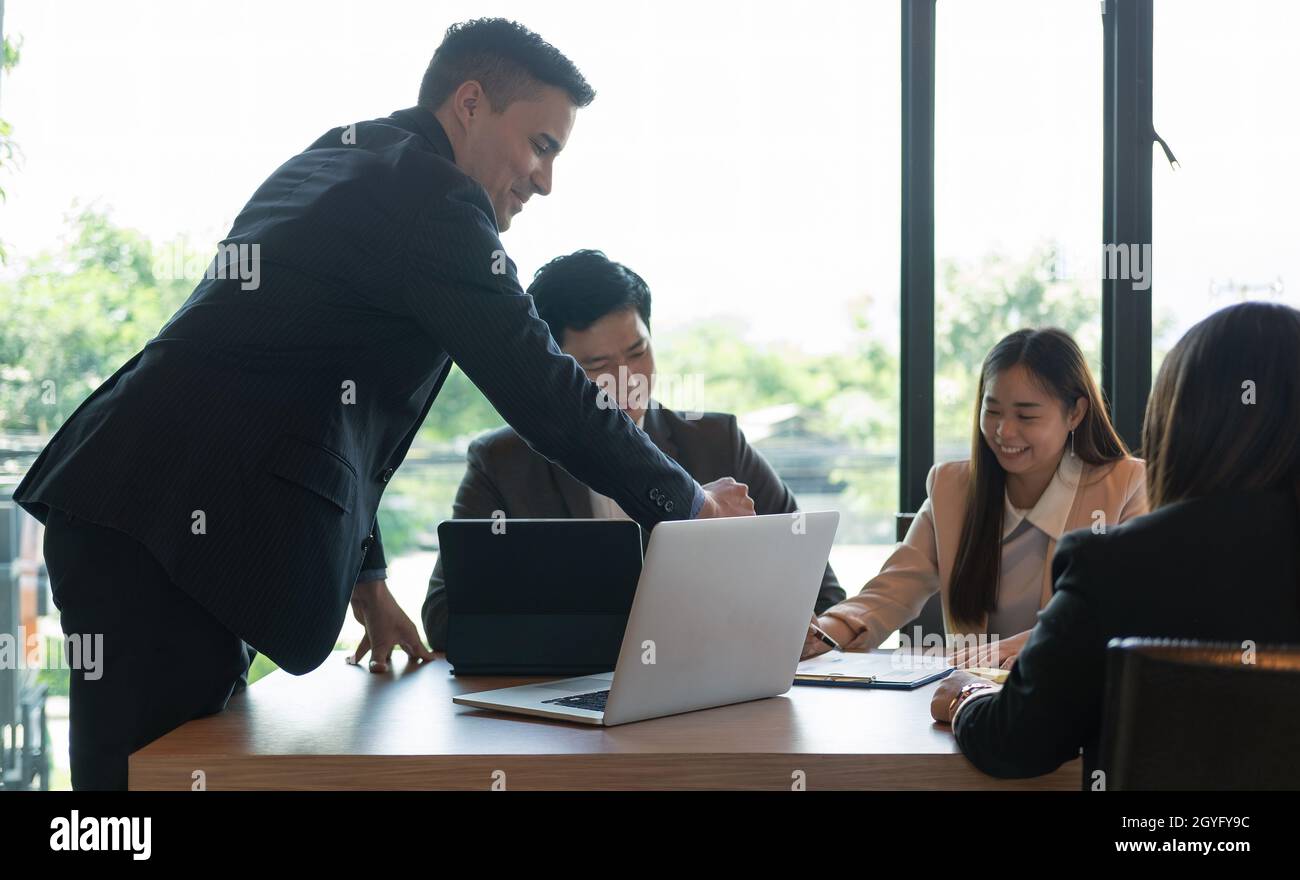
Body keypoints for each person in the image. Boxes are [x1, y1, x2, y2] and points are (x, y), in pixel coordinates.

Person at [16, 18, 753, 790]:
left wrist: (365, 579)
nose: (545, 180)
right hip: (164, 520)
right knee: (139, 793)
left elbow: (308, 388)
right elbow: (542, 385)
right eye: (541, 145)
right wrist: (689, 503)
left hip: (148, 510)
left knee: (156, 778)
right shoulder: (431, 201)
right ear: (470, 103)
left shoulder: (349, 155)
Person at [934, 302, 1300, 783]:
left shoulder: (1116, 566)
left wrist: (964, 695)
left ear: (1178, 420)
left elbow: (1017, 741)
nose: (1006, 431)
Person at [422, 250, 845, 648]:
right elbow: (444, 619)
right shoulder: (502, 462)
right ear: (550, 371)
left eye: (638, 351)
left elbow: (822, 592)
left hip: (708, 698)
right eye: (596, 366)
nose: (627, 380)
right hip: (562, 706)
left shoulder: (717, 442)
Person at [802, 328, 1146, 667]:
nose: (1004, 431)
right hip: (969, 699)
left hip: (1078, 704)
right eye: (992, 411)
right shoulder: (951, 487)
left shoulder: (1125, 485)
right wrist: (823, 634)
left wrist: (1023, 646)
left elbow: (1127, 610)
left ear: (1075, 413)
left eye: (1026, 415)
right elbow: (892, 590)